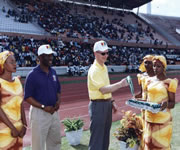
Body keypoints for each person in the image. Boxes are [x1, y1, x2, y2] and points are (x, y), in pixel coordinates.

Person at [87, 40, 129, 150]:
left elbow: (107, 86)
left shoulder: (104, 67)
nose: (106, 56)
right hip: (98, 106)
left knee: (105, 137)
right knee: (97, 139)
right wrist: (120, 84)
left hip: (106, 104)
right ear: (95, 53)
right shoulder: (94, 70)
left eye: (106, 53)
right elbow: (104, 90)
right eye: (103, 53)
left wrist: (112, 101)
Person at [24, 44, 61, 150]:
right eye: (47, 55)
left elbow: (58, 89)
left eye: (51, 55)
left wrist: (58, 100)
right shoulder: (32, 75)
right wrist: (44, 107)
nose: (50, 58)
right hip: (39, 114)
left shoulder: (53, 72)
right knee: (38, 145)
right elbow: (28, 97)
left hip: (54, 112)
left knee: (55, 143)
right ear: (40, 57)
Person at [143, 55, 178, 150]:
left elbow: (172, 103)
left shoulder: (170, 82)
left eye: (158, 66)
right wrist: (136, 102)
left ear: (164, 67)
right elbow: (146, 99)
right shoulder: (148, 81)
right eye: (154, 66)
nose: (155, 68)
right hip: (149, 119)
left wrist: (166, 104)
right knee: (149, 145)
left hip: (163, 122)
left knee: (161, 146)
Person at [0, 51, 27, 150]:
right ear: (3, 64)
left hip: (18, 130)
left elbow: (20, 104)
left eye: (15, 61)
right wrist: (12, 128)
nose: (15, 64)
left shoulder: (18, 81)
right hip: (4, 130)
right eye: (11, 62)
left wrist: (24, 124)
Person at [135, 55, 155, 150]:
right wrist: (134, 97)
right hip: (143, 108)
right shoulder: (142, 77)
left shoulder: (158, 77)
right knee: (144, 129)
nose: (147, 64)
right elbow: (141, 92)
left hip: (153, 108)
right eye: (145, 62)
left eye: (149, 62)